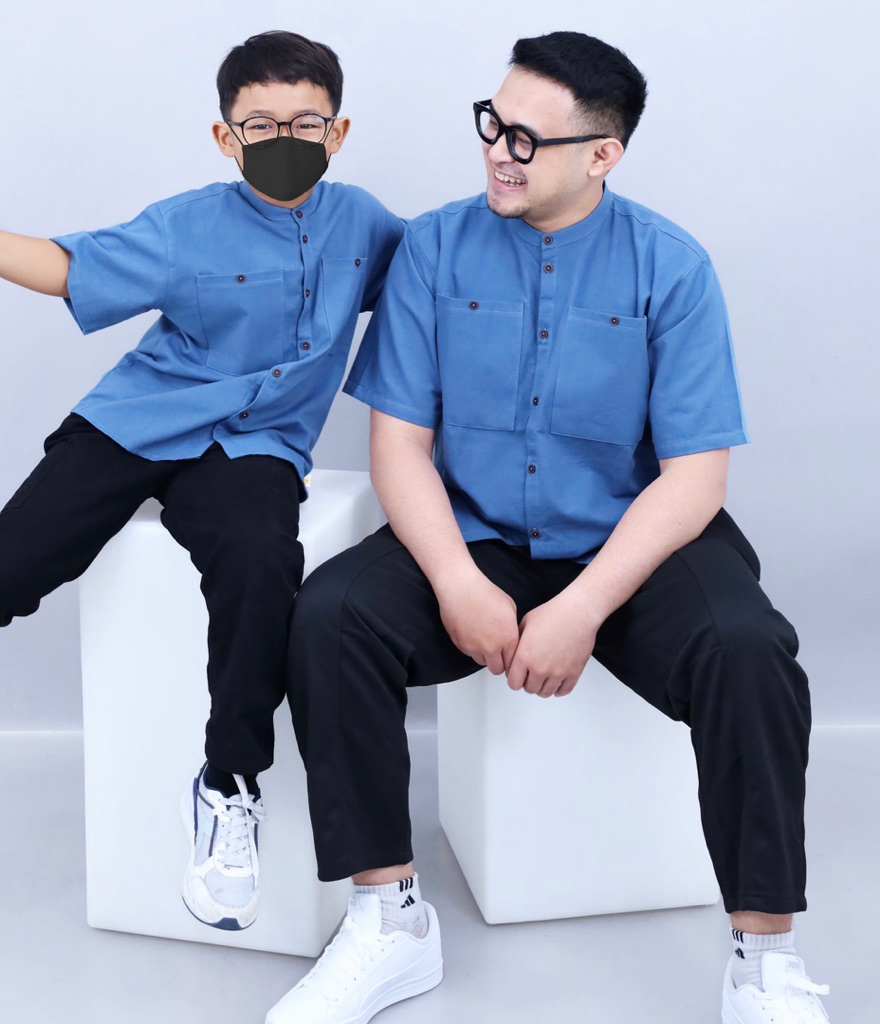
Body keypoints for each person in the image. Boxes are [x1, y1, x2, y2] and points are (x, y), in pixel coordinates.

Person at [268, 30, 830, 1024]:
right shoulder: (434, 249)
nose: (498, 151)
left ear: (602, 154)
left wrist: (581, 609)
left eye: (526, 139)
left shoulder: (671, 267)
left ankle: (764, 961)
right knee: (331, 615)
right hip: (480, 534)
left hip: (633, 542)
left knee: (750, 651)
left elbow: (696, 477)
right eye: (493, 124)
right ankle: (389, 917)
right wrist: (455, 581)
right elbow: (399, 445)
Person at [0, 29, 404, 936]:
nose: (285, 140)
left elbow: (436, 274)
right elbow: (74, 267)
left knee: (264, 565)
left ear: (338, 133)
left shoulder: (366, 224)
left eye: (306, 123)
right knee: (12, 561)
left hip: (256, 446)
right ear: (226, 138)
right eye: (261, 125)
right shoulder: (187, 224)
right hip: (142, 419)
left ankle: (229, 787)